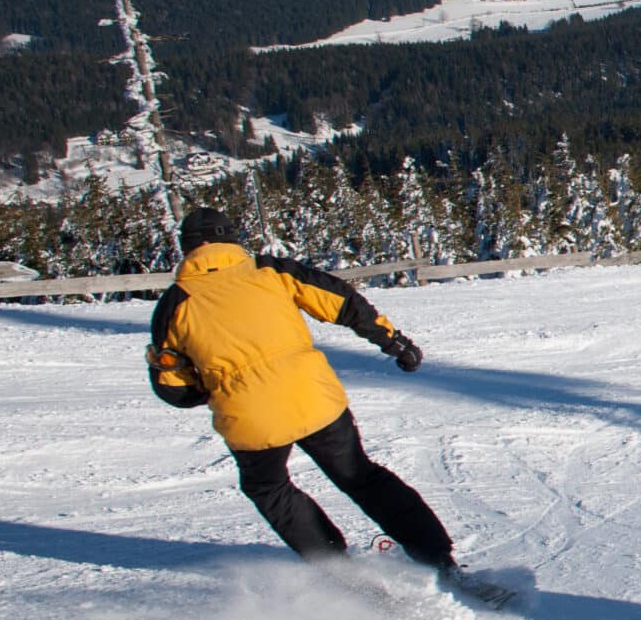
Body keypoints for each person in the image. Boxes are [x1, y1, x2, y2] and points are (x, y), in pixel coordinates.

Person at [147, 206, 460, 575]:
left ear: (187, 249)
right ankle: (437, 558)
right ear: (232, 237)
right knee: (361, 477)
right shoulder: (270, 271)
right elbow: (342, 301)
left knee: (269, 488)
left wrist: (212, 386)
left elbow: (175, 390)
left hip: (250, 418)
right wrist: (393, 341)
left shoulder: (173, 304)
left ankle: (337, 570)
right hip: (314, 399)